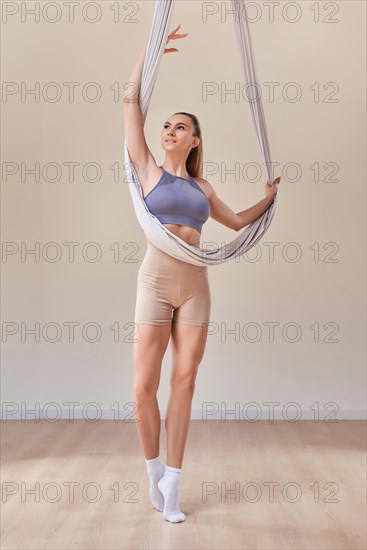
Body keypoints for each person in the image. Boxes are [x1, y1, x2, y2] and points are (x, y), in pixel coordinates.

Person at [123, 24, 280, 523]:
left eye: (179, 128)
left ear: (194, 140)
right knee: (143, 387)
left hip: (195, 287)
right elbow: (129, 102)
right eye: (166, 125)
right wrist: (150, 55)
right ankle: (152, 469)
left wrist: (269, 199)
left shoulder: (202, 186)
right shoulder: (147, 168)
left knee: (185, 381)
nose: (168, 131)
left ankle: (174, 481)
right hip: (155, 281)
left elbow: (234, 222)